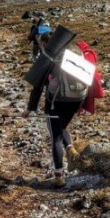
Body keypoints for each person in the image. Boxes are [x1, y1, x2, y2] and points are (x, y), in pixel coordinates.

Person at [22, 31, 82, 188]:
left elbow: (37, 87)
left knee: (55, 136)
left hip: (57, 101)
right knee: (61, 126)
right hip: (77, 98)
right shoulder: (74, 51)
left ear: (43, 44)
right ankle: (70, 149)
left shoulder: (49, 56)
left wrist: (30, 109)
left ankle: (59, 176)